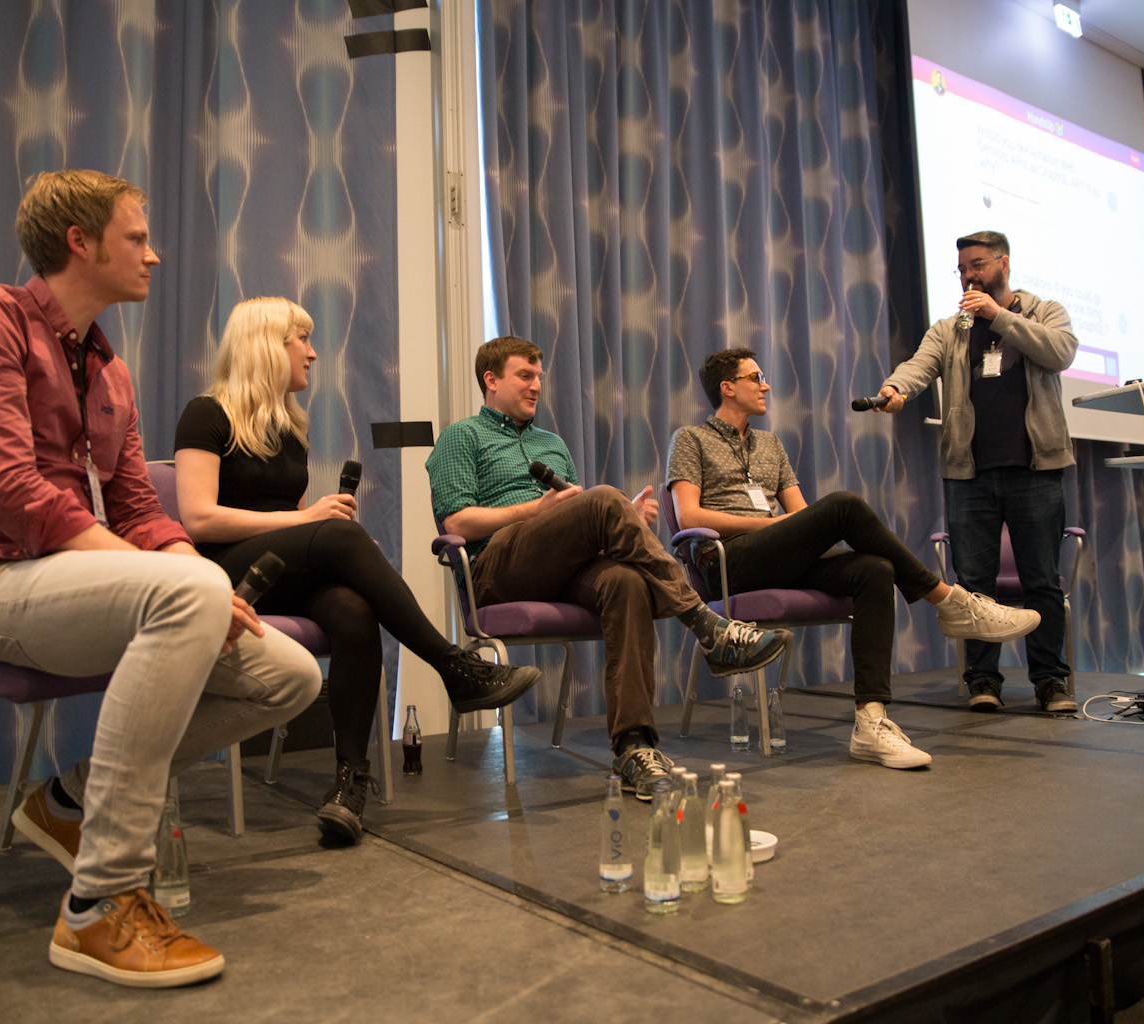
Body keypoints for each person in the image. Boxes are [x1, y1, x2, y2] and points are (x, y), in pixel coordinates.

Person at [0, 170, 323, 988]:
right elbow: (10, 492)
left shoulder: (108, 369)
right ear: (80, 242)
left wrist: (199, 582)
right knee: (191, 589)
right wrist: (180, 582)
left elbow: (138, 504)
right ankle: (99, 901)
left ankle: (66, 803)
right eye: (137, 238)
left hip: (65, 583)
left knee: (289, 673)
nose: (154, 255)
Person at [172, 297, 541, 843]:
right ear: (268, 344)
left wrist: (311, 524)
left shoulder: (288, 427)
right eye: (303, 339)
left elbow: (283, 521)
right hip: (225, 575)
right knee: (341, 533)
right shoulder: (207, 414)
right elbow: (198, 518)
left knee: (352, 608)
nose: (313, 353)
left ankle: (349, 785)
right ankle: (452, 665)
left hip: (277, 567)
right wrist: (312, 523)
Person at [425, 336, 792, 799]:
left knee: (623, 581)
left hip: (558, 568)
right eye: (525, 375)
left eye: (540, 376)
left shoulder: (551, 443)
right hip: (496, 568)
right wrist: (538, 510)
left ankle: (633, 747)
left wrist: (627, 521)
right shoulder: (463, 436)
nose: (537, 385)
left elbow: (577, 521)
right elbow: (457, 519)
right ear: (491, 380)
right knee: (601, 499)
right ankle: (706, 624)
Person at [668, 349, 1043, 769]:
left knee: (874, 570)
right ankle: (950, 602)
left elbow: (803, 515)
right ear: (728, 388)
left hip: (779, 556)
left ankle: (871, 721)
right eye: (755, 378)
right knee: (844, 505)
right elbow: (690, 516)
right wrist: (771, 526)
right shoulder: (690, 439)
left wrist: (793, 528)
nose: (765, 385)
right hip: (730, 563)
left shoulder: (770, 445)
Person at [877, 230, 1078, 713]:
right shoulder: (951, 328)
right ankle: (983, 681)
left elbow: (1060, 352)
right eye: (963, 268)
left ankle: (1050, 682)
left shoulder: (1044, 311)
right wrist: (895, 388)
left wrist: (998, 317)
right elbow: (919, 366)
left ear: (1004, 263)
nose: (970, 275)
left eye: (979, 265)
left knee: (1042, 582)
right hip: (970, 476)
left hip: (1036, 471)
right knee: (973, 587)